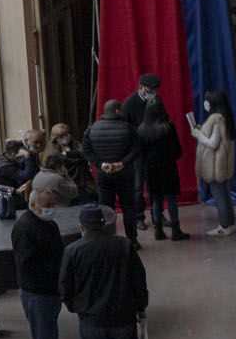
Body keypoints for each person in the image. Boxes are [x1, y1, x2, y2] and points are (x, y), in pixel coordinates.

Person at [59, 204, 150, 339]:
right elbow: (139, 280)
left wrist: (75, 306)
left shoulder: (73, 250)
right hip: (123, 317)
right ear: (104, 223)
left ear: (81, 226)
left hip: (91, 319)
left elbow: (65, 286)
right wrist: (141, 306)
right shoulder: (123, 245)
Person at [11, 188, 77, 339]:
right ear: (33, 205)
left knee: (50, 338)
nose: (51, 209)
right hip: (38, 293)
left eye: (52, 205)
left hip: (49, 292)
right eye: (47, 205)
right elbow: (28, 266)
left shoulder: (46, 223)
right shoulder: (25, 228)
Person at [81, 100, 143, 246]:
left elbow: (87, 151)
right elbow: (137, 148)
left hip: (103, 174)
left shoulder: (92, 129)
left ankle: (108, 240)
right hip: (125, 173)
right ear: (117, 111)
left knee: (106, 208)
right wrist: (122, 163)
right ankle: (132, 240)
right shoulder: (128, 128)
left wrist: (101, 164)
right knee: (128, 208)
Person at [136, 98, 189, 241]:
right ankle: (176, 230)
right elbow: (178, 151)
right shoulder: (168, 128)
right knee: (171, 199)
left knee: (156, 200)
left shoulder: (141, 130)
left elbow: (140, 154)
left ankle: (158, 230)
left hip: (151, 170)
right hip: (168, 168)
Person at [190, 89, 236, 237]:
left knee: (220, 197)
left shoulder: (216, 119)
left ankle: (224, 225)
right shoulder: (224, 117)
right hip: (221, 163)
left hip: (215, 165)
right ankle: (229, 223)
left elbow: (213, 142)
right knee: (224, 194)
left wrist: (197, 134)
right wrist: (201, 130)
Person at [122, 73, 166, 231]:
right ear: (141, 89)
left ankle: (158, 215)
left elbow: (163, 118)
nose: (153, 93)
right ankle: (139, 217)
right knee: (138, 186)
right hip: (138, 151)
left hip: (154, 149)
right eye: (150, 90)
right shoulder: (129, 104)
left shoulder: (156, 100)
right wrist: (140, 132)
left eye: (155, 90)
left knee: (156, 183)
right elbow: (125, 128)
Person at [47, 123, 98, 203]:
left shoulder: (75, 143)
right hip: (65, 177)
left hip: (82, 178)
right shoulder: (53, 148)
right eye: (62, 136)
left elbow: (84, 154)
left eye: (66, 134)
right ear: (56, 138)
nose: (66, 137)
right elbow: (55, 162)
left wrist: (70, 153)